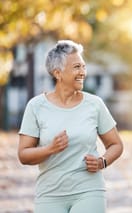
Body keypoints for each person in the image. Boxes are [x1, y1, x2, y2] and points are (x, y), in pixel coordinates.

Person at [18, 40, 124, 213]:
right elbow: (23, 155)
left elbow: (116, 145)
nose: (83, 72)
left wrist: (101, 162)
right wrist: (50, 149)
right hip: (49, 193)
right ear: (58, 73)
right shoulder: (35, 106)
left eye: (83, 67)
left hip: (89, 190)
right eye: (76, 67)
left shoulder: (94, 104)